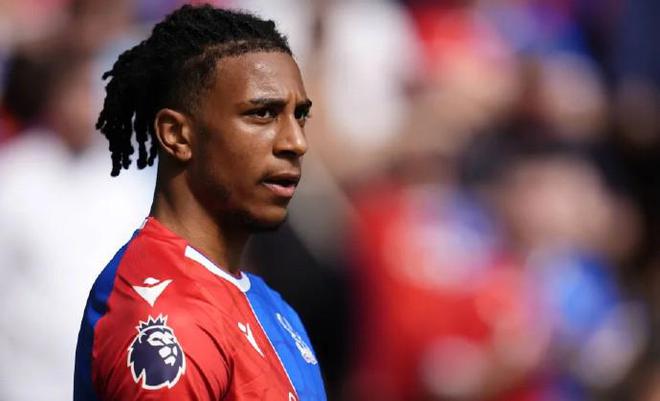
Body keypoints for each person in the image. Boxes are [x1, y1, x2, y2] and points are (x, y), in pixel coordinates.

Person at [73, 4, 325, 401]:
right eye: (262, 113)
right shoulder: (167, 321)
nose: (296, 142)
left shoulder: (271, 307)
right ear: (177, 135)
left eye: (300, 116)